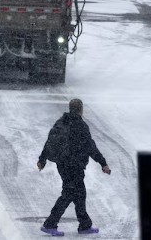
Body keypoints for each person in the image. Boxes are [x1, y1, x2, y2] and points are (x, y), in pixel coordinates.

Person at [37, 99, 111, 236]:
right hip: (74, 166)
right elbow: (91, 147)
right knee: (69, 194)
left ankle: (85, 225)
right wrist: (103, 163)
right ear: (81, 110)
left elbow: (50, 142)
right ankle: (50, 224)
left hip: (62, 164)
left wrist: (42, 159)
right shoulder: (81, 126)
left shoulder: (60, 122)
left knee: (79, 193)